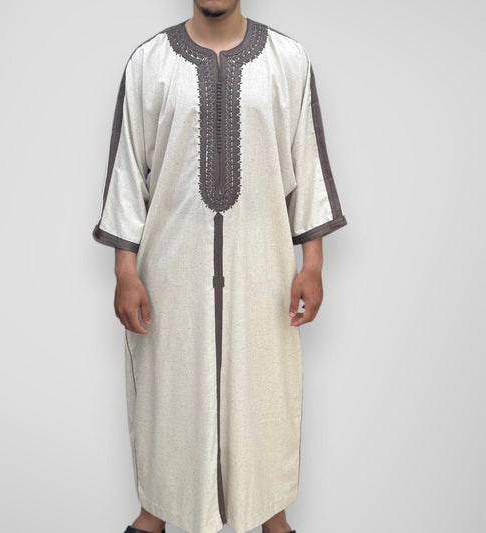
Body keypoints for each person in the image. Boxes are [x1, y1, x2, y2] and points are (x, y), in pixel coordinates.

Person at [92, 2, 347, 533]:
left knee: (264, 393)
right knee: (170, 402)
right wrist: (125, 271)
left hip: (264, 273)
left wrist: (313, 263)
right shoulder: (149, 62)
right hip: (170, 278)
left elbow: (307, 165)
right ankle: (155, 514)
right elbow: (127, 172)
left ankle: (272, 516)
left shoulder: (287, 60)